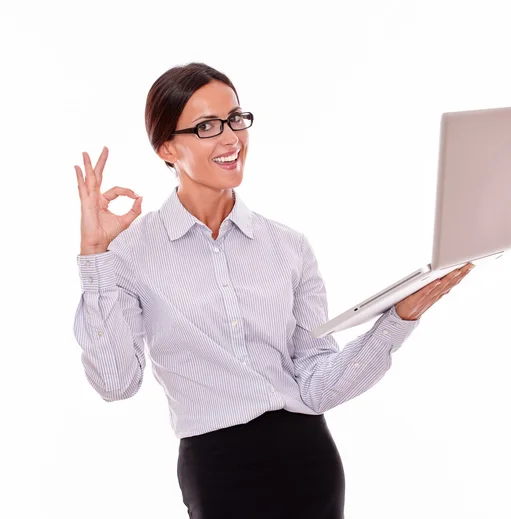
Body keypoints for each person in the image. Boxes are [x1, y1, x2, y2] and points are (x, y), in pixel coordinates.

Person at [73, 62, 474, 519]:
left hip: (309, 461)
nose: (230, 139)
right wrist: (94, 256)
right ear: (167, 147)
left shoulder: (287, 247)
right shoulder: (129, 254)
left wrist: (397, 320)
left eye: (235, 119)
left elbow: (318, 385)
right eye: (206, 126)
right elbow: (115, 384)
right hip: (218, 471)